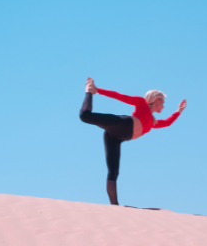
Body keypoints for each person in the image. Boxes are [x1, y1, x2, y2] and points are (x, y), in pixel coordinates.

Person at [79, 77, 186, 205]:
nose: (163, 106)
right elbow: (121, 96)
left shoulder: (151, 122)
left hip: (116, 137)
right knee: (85, 116)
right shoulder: (142, 104)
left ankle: (115, 206)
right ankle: (89, 91)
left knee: (114, 171)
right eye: (162, 103)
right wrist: (98, 90)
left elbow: (167, 123)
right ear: (157, 100)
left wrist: (179, 111)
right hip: (123, 124)